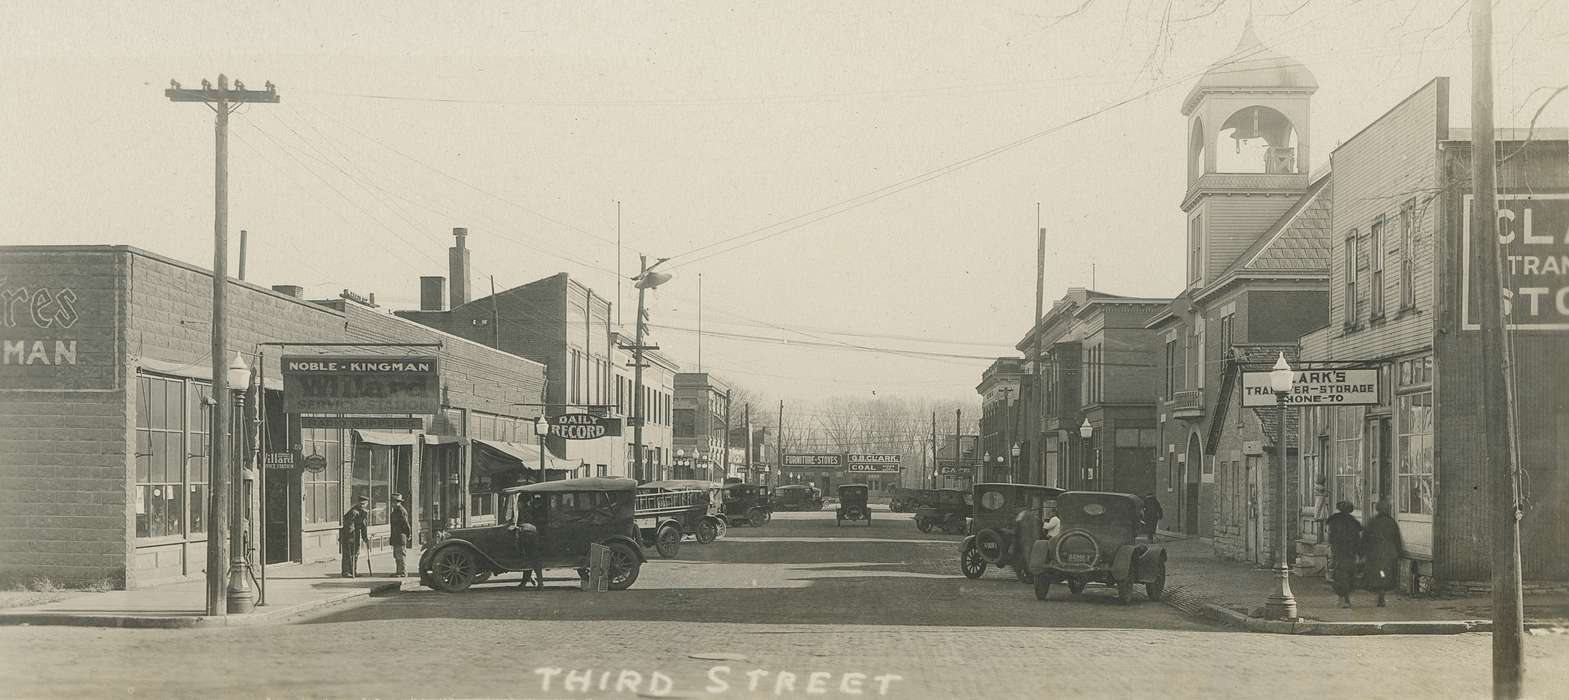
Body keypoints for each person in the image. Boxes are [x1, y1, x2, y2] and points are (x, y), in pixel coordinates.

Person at [1363, 499, 1404, 607]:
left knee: (1379, 572)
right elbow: (1397, 539)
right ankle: (1382, 592)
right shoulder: (1391, 522)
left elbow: (1365, 537)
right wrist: (1399, 552)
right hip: (1388, 553)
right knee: (1385, 573)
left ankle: (1380, 591)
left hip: (1375, 553)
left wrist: (1363, 551)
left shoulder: (1372, 522)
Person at [1325, 500, 1363, 608]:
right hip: (1350, 553)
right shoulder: (1353, 522)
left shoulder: (1334, 521)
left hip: (1339, 552)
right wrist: (1359, 553)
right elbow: (1357, 539)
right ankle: (1346, 598)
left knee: (1340, 575)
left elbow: (1331, 538)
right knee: (1349, 575)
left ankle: (1343, 598)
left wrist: (1331, 549)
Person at [339, 496, 370, 578]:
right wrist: (350, 536)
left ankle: (353, 571)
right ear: (358, 503)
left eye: (364, 504)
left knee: (355, 554)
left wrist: (365, 537)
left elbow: (364, 526)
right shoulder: (353, 512)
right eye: (361, 504)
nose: (362, 505)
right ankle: (346, 572)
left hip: (356, 535)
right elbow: (349, 525)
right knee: (348, 554)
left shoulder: (363, 513)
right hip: (348, 536)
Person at [389, 493, 412, 577]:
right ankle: (398, 571)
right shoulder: (395, 511)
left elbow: (406, 525)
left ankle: (403, 572)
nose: (393, 504)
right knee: (396, 555)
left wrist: (408, 534)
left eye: (395, 502)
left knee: (401, 555)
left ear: (399, 502)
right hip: (395, 536)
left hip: (400, 536)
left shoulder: (401, 511)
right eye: (392, 502)